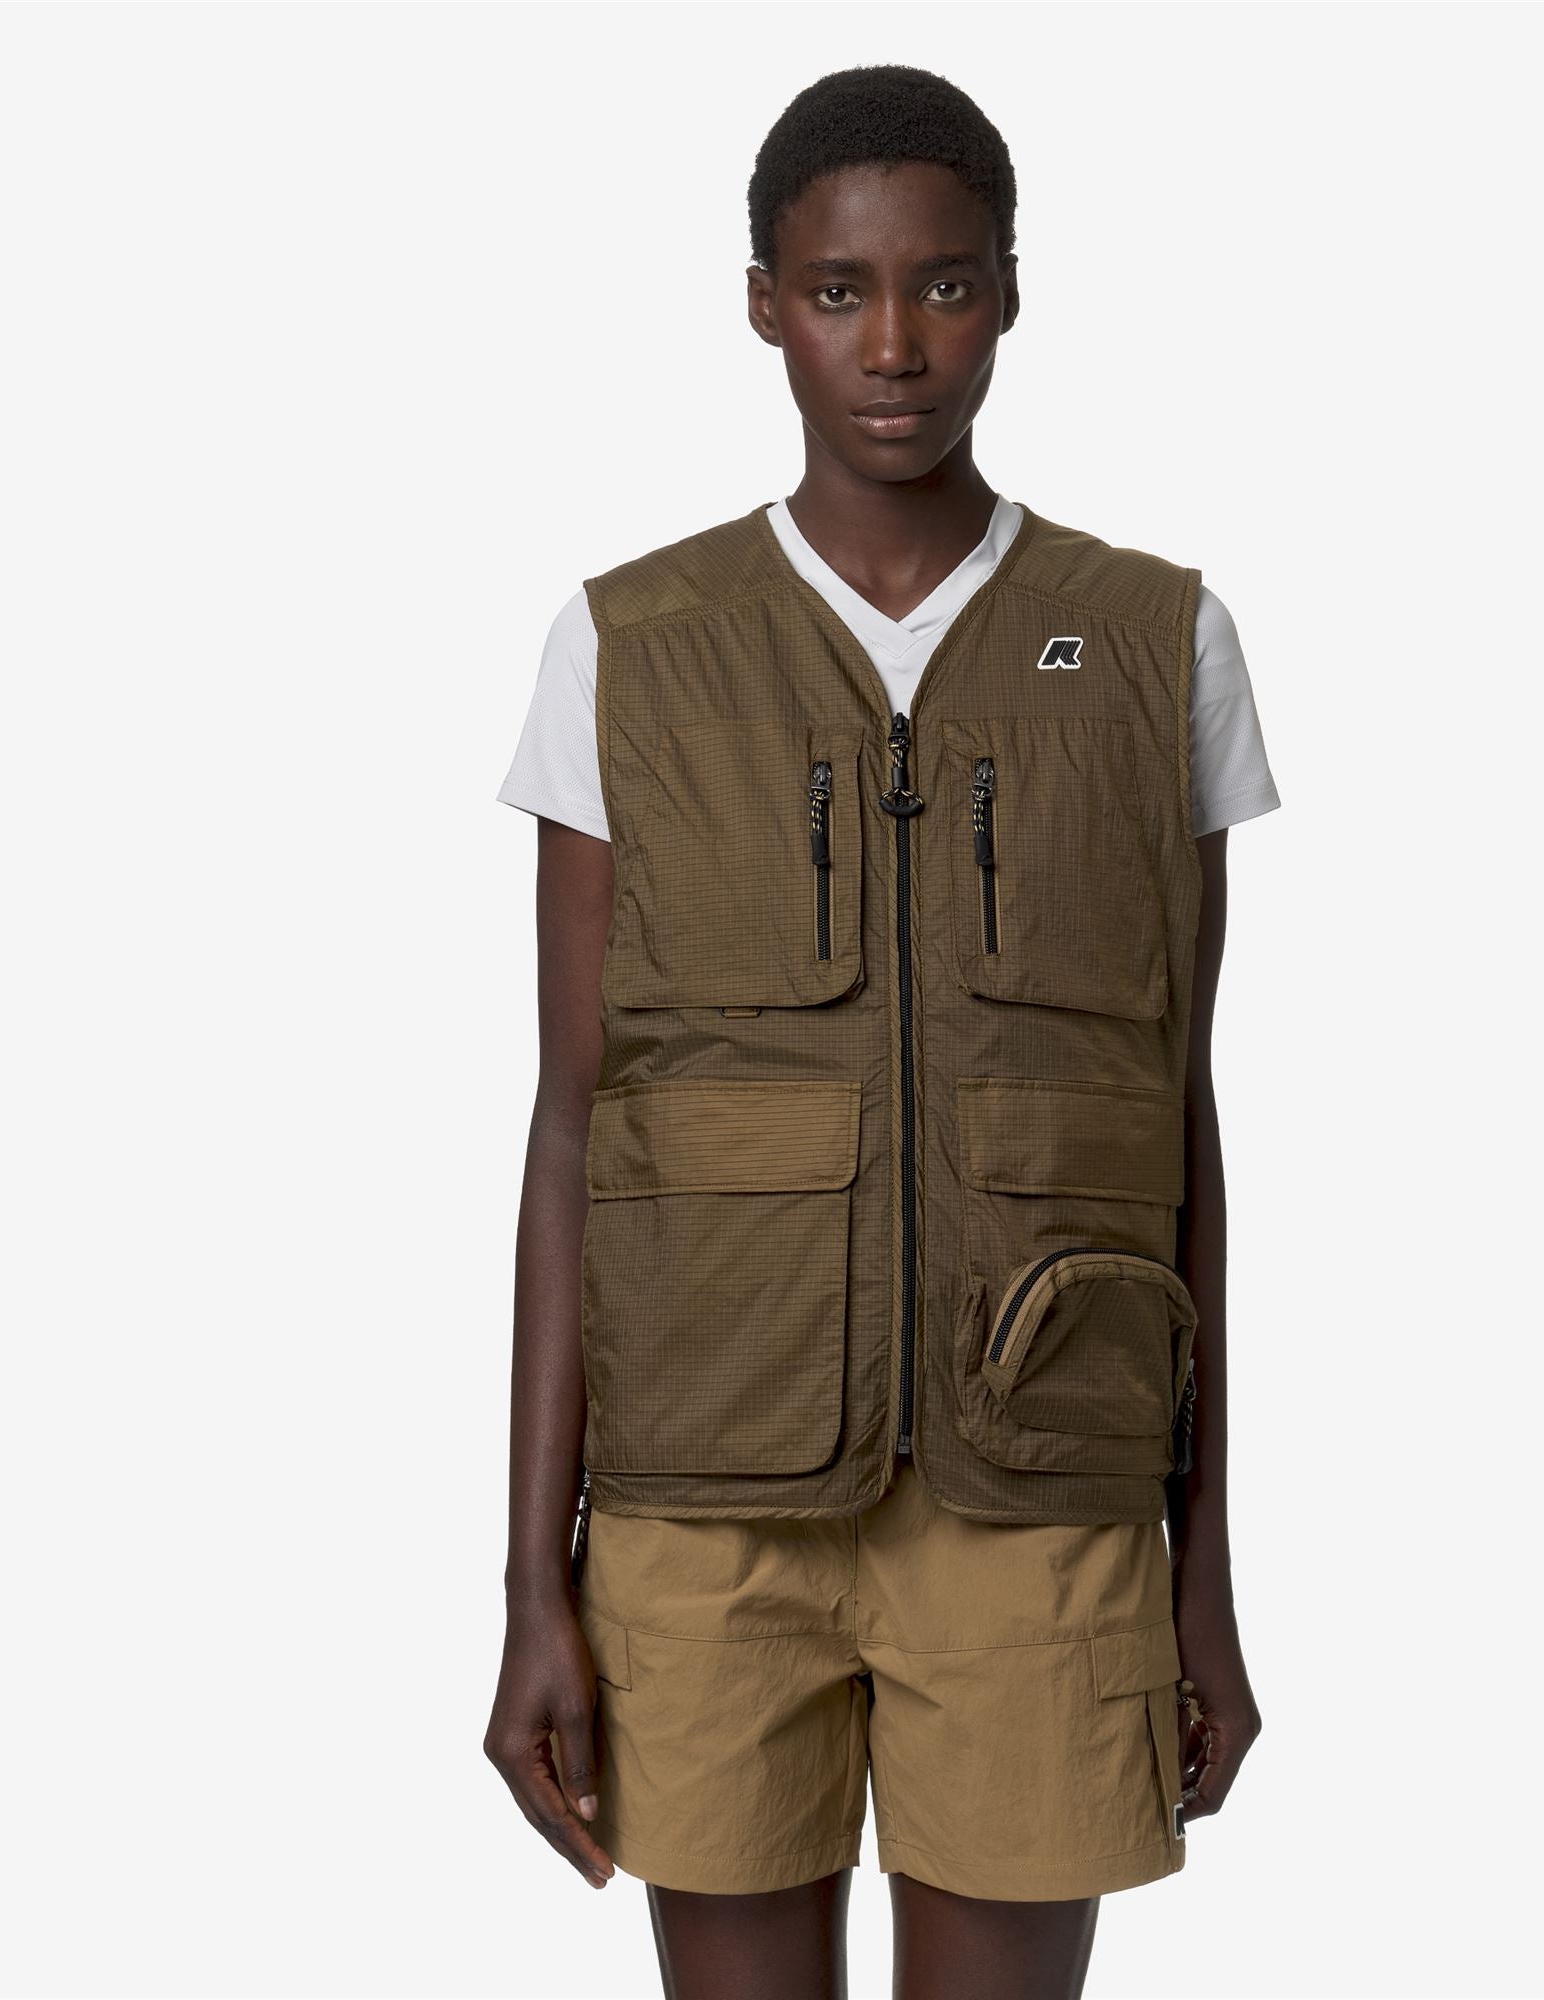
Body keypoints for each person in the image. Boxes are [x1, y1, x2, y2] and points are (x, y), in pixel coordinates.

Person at [485, 63, 1279, 2000]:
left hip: (1044, 1503)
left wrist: (1202, 1566)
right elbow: (576, 1121)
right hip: (701, 1508)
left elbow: (1173, 1118)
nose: (896, 344)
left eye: (945, 284)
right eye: (839, 291)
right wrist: (532, 1583)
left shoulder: (1158, 642)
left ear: (1010, 293)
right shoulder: (632, 643)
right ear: (765, 304)